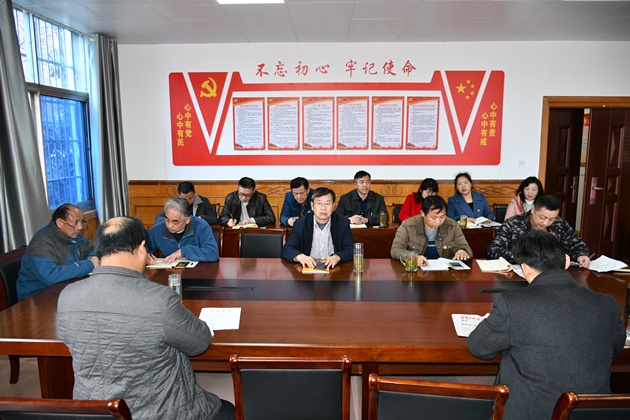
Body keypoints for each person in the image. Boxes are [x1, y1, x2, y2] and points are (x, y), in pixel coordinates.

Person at [56, 216, 235, 420]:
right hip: (158, 413)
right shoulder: (159, 299)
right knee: (227, 410)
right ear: (142, 248)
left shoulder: (67, 296)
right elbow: (199, 343)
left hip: (93, 413)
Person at [467, 230, 625, 420]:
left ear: (525, 268)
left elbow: (478, 347)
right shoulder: (607, 303)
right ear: (566, 263)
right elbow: (617, 347)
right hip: (593, 414)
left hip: (532, 413)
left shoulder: (514, 303)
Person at [17, 203, 99, 299]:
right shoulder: (40, 243)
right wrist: (89, 264)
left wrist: (92, 258)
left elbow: (92, 248)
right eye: (76, 222)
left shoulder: (73, 234)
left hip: (64, 287)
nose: (80, 227)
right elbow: (50, 276)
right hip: (37, 296)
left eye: (82, 222)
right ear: (60, 223)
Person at [487, 194, 591, 268]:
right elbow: (494, 250)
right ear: (533, 210)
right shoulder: (513, 224)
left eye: (551, 219)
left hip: (552, 275)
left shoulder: (560, 224)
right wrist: (521, 257)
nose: (546, 223)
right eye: (542, 217)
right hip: (519, 274)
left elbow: (578, 245)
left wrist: (581, 255)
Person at [282, 187, 354, 269]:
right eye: (319, 203)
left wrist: (337, 257)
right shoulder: (301, 224)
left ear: (333, 206)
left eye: (327, 204)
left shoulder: (342, 223)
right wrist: (300, 257)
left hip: (334, 268)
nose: (323, 208)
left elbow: (351, 248)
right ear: (312, 206)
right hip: (309, 268)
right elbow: (287, 248)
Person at [390, 195, 472, 265]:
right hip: (417, 271)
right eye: (434, 217)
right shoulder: (408, 225)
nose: (438, 221)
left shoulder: (452, 226)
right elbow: (395, 250)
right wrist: (414, 257)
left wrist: (463, 251)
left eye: (442, 216)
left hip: (445, 272)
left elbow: (466, 248)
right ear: (423, 213)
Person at [147, 197, 219, 263]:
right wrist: (146, 256)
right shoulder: (157, 229)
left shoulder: (201, 226)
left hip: (197, 270)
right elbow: (144, 248)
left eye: (175, 221)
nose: (169, 225)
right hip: (168, 270)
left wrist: (183, 251)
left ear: (187, 220)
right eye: (167, 220)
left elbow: (212, 254)